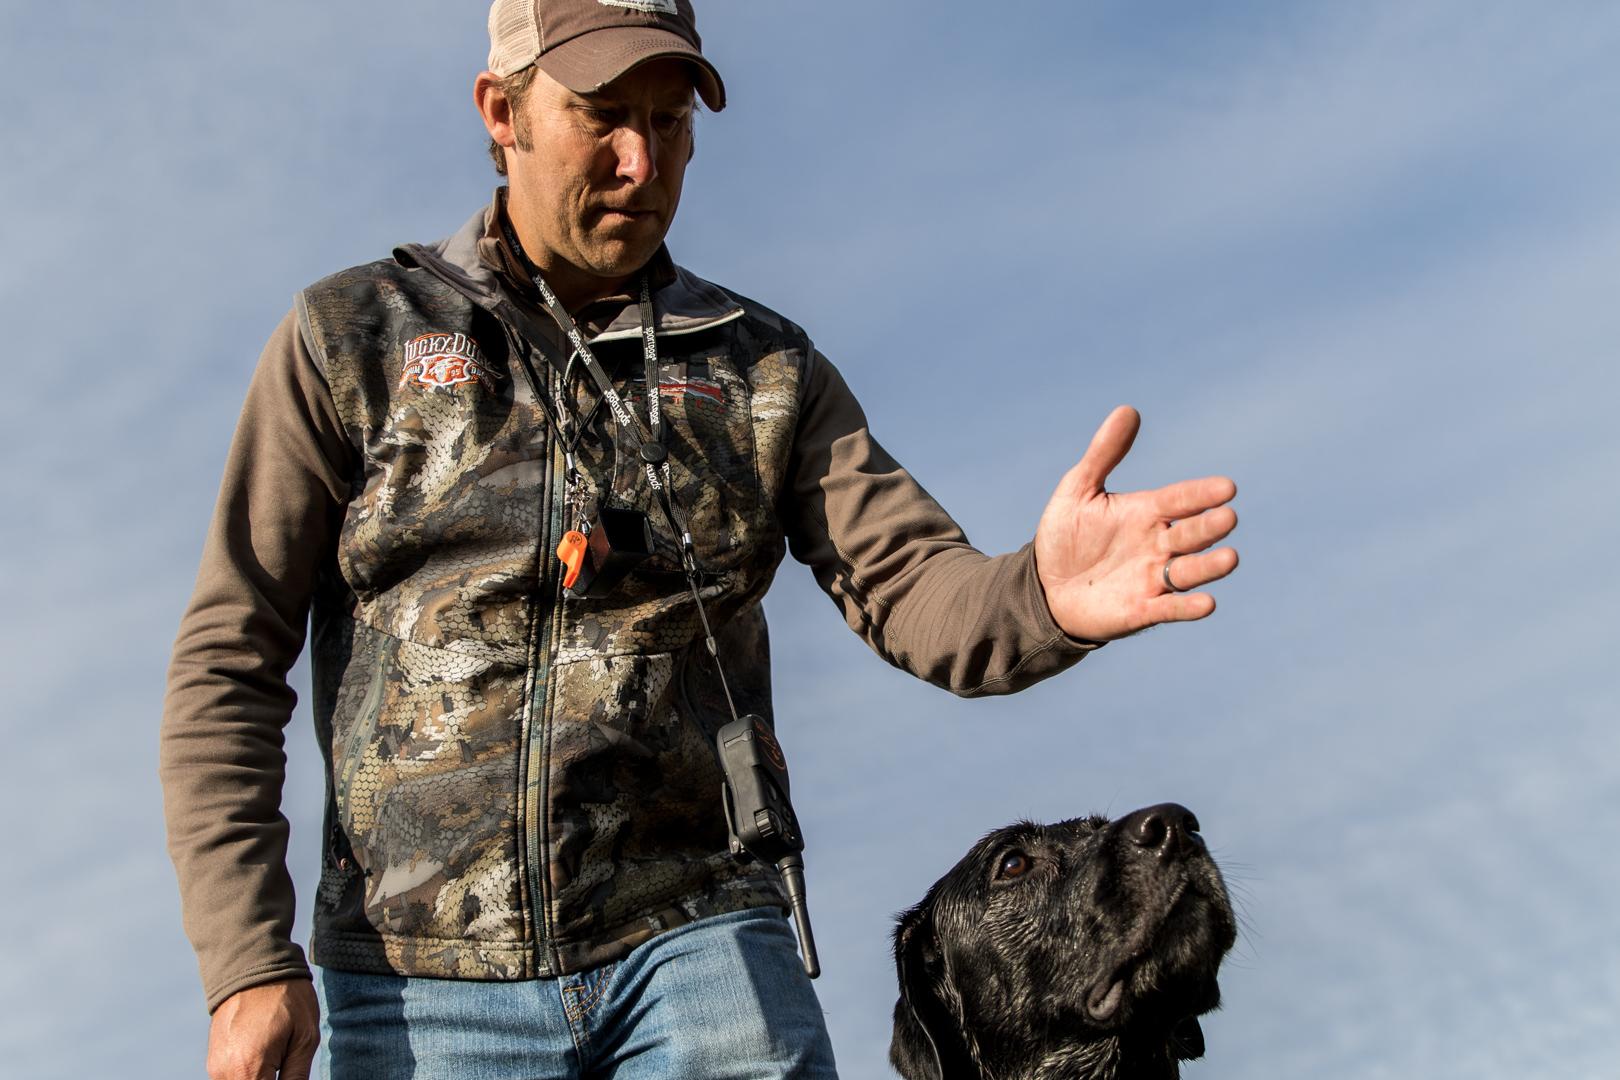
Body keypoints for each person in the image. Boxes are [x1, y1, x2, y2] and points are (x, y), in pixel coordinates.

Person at [160, 2, 1240, 1078]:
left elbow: (914, 584)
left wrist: (1040, 596)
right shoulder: (350, 340)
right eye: (603, 115)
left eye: (671, 121)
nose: (643, 160)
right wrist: (248, 959)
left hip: (703, 948)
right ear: (502, 111)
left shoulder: (766, 370)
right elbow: (228, 663)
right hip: (423, 990)